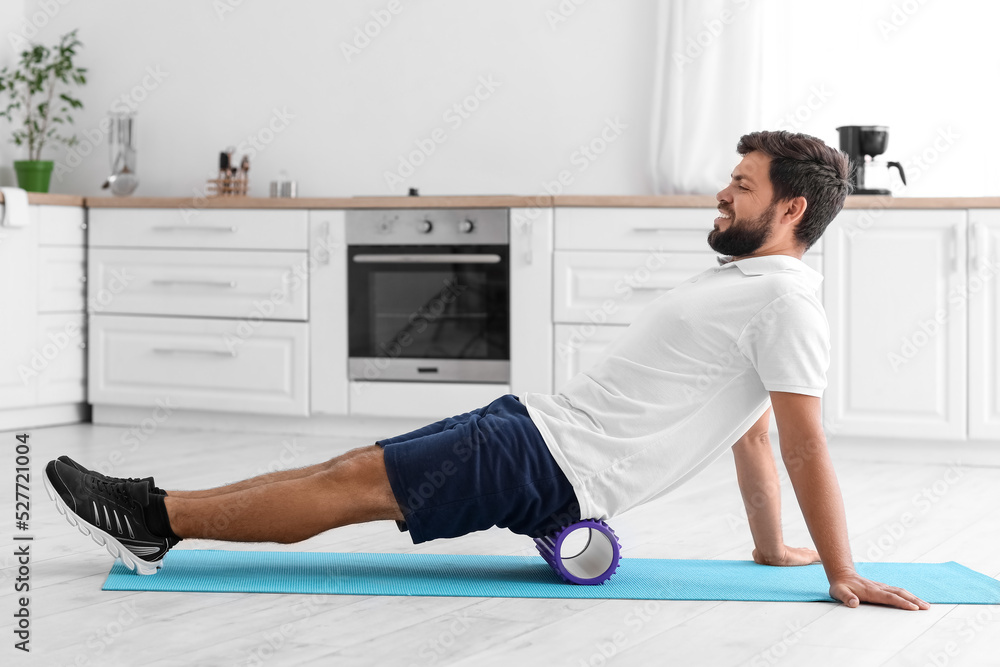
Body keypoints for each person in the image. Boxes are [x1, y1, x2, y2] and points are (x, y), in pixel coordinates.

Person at [45, 130, 930, 611]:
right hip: (538, 429)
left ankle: (152, 520)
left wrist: (838, 569)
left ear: (791, 205)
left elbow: (804, 443)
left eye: (741, 184)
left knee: (355, 484)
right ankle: (157, 507)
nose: (721, 192)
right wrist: (771, 545)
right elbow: (751, 432)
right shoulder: (747, 284)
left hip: (556, 464)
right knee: (346, 467)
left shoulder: (786, 302)